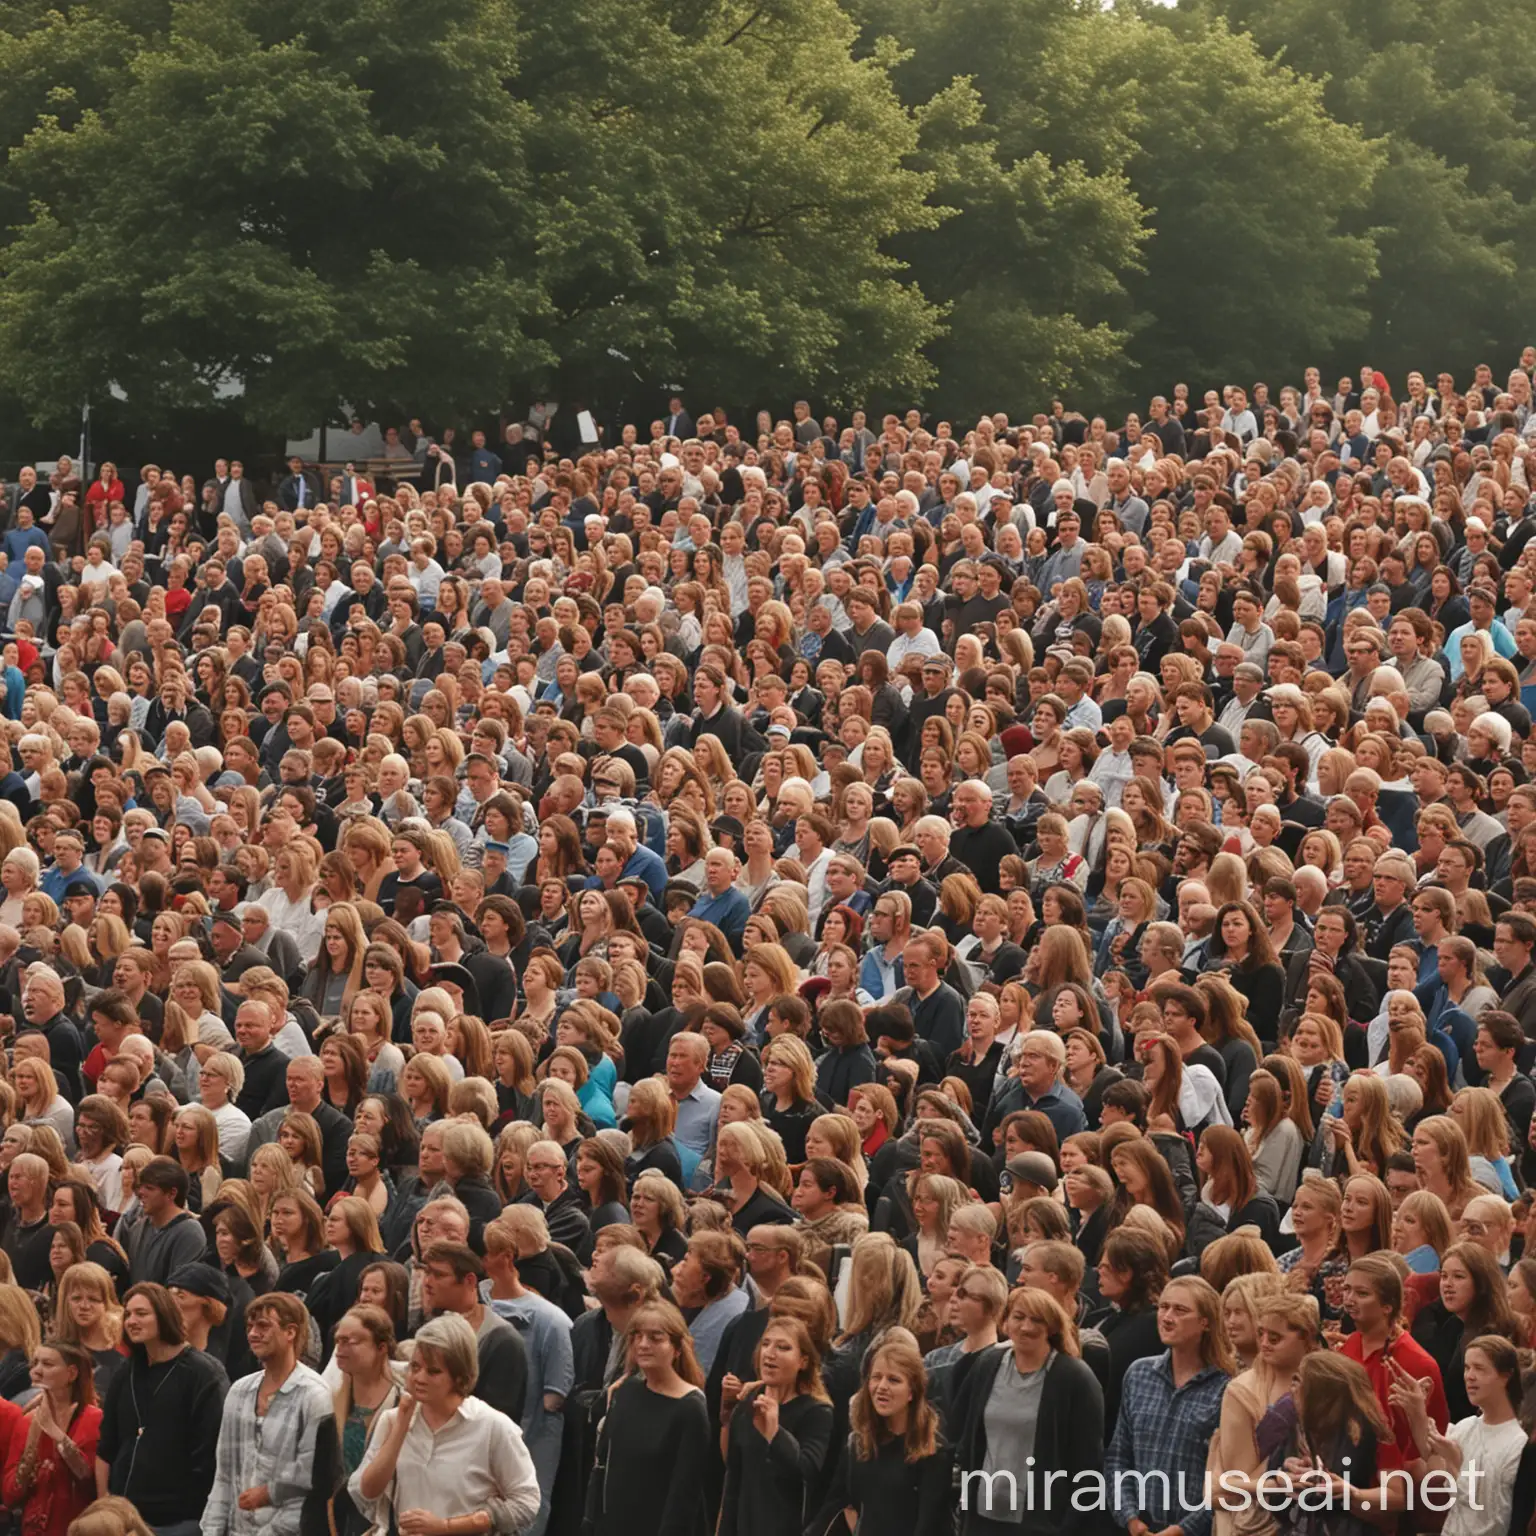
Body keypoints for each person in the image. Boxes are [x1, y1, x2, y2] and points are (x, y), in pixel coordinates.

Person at [350, 1313, 539, 1536]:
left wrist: (448, 1527)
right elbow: (366, 1492)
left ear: (459, 1377)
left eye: (433, 1371)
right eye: (415, 1366)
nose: (419, 1377)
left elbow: (527, 1502)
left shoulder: (491, 1426)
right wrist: (401, 1424)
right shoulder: (393, 1420)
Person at [951, 1286, 1103, 1535]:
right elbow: (963, 1434)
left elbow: (1088, 1463)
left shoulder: (1074, 1378)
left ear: (1052, 1327)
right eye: (1018, 1317)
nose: (1026, 1327)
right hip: (983, 1514)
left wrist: (1069, 1525)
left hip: (1041, 1522)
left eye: (1036, 1320)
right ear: (1005, 1322)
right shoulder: (988, 1365)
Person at [95, 1282, 230, 1536]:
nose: (131, 1321)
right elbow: (107, 1446)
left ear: (164, 1314)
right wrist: (105, 1505)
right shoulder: (126, 1371)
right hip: (121, 1518)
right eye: (128, 1314)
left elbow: (209, 1457)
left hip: (178, 1521)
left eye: (141, 1313)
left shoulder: (204, 1374)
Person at [200, 1293, 336, 1536]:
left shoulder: (314, 1395)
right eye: (250, 1326)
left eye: (263, 1326)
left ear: (290, 1332)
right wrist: (211, 1531)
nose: (252, 1334)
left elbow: (308, 1485)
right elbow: (224, 1475)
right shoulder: (239, 1391)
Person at [584, 1299, 710, 1536]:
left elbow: (683, 1497)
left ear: (677, 1348)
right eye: (637, 1336)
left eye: (655, 1337)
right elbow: (602, 1468)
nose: (643, 1344)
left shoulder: (690, 1407)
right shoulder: (625, 1391)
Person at [718, 1317, 833, 1536]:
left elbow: (806, 1472)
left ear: (803, 1361)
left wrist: (775, 1434)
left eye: (783, 1347)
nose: (770, 1353)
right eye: (766, 1344)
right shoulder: (750, 1399)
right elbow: (734, 1478)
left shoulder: (817, 1411)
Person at [1, 1340, 103, 1536]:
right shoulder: (26, 1421)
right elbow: (10, 1494)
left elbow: (91, 1484)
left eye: (47, 1364)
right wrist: (31, 1445)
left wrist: (56, 1433)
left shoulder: (94, 1418)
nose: (37, 1371)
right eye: (36, 1363)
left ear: (71, 1373)